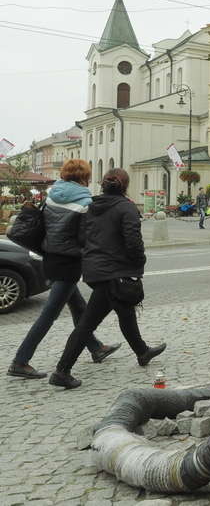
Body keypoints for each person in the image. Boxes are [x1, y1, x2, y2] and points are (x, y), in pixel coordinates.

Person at [49, 169, 165, 389]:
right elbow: (133, 241)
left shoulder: (92, 206)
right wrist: (138, 262)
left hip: (96, 269)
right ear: (125, 186)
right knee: (87, 324)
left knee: (125, 311)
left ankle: (142, 352)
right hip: (114, 272)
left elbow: (82, 237)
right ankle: (61, 371)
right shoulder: (126, 207)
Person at [7, 160, 120, 380]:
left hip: (49, 258)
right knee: (49, 315)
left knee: (79, 307)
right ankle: (20, 361)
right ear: (84, 176)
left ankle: (96, 347)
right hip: (69, 262)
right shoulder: (85, 202)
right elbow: (85, 237)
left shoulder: (52, 194)